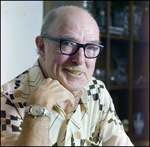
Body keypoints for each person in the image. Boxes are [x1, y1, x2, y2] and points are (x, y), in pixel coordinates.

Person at [1, 5, 133, 146]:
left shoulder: (97, 91)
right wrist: (38, 108)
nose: (80, 60)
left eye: (90, 47)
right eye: (69, 44)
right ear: (42, 47)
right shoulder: (7, 100)